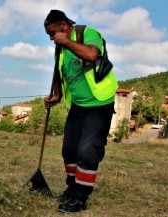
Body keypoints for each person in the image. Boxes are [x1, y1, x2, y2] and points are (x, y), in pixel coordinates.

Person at [43, 9, 118, 213]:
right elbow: (61, 74)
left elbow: (92, 54)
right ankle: (72, 188)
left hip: (99, 103)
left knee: (88, 151)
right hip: (77, 105)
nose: (51, 38)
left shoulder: (88, 33)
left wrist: (65, 42)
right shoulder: (60, 48)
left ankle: (80, 198)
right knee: (69, 149)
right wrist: (57, 95)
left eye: (52, 33)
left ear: (64, 26)